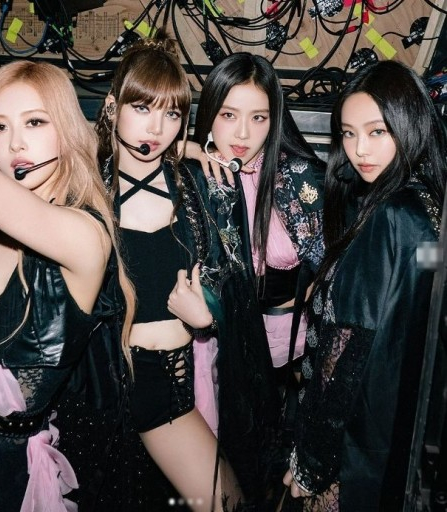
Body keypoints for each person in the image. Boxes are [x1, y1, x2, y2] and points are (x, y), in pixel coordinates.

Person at [0, 60, 134, 511]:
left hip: (12, 480)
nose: (15, 144)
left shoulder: (86, 237)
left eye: (35, 122)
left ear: (66, 131)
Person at [91, 32, 278, 511]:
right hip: (112, 385)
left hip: (175, 383)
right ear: (112, 107)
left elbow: (236, 287)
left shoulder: (199, 183)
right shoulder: (86, 189)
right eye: (141, 108)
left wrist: (207, 315)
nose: (156, 127)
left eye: (172, 114)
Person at [283, 60, 446, 511]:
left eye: (377, 131)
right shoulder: (427, 202)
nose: (359, 150)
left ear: (409, 123)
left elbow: (348, 353)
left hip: (357, 447)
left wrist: (311, 460)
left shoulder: (391, 216)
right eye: (348, 133)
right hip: (401, 436)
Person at [187, 53, 325, 447]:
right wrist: (184, 149)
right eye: (229, 115)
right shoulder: (194, 177)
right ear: (209, 114)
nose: (243, 133)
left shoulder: (295, 175)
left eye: (258, 117)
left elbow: (333, 266)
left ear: (273, 119)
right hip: (218, 349)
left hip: (291, 347)